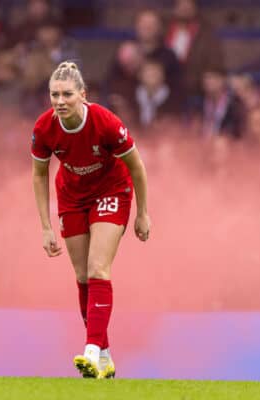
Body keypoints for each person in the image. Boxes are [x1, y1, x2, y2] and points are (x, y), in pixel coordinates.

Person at [31, 61, 150, 379]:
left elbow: (137, 167)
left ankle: (91, 350)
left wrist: (143, 213)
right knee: (83, 277)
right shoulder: (44, 128)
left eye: (67, 94)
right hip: (71, 196)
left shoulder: (105, 122)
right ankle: (105, 358)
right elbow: (39, 174)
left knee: (99, 268)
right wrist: (45, 227)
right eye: (54, 94)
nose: (59, 101)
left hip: (112, 189)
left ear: (82, 95)